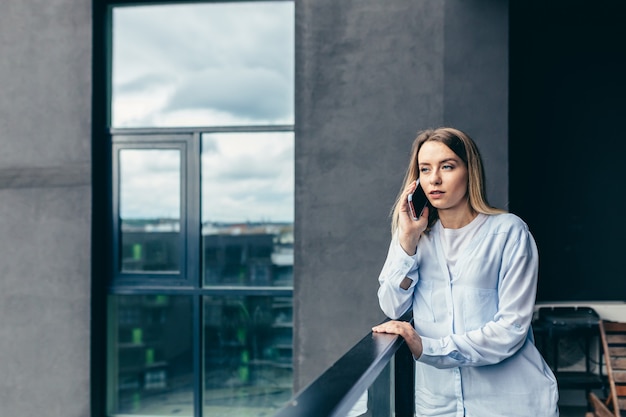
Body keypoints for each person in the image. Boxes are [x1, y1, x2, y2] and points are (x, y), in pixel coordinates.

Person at [372, 127, 559, 417]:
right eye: (425, 169)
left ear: (469, 170)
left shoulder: (509, 232)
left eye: (447, 166)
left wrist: (429, 348)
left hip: (509, 404)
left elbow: (511, 329)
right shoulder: (416, 238)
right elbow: (392, 305)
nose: (434, 179)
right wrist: (407, 241)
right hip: (438, 406)